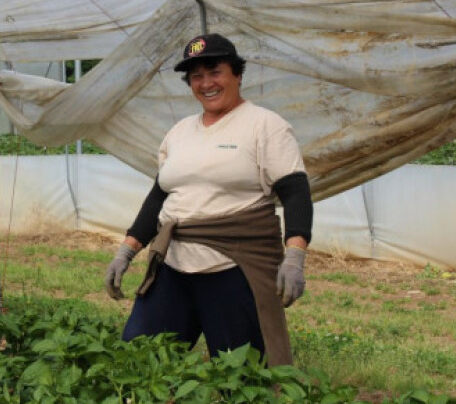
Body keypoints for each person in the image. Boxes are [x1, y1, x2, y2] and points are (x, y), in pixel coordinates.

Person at [104, 33, 312, 367]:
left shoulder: (265, 126)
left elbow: (295, 192)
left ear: (237, 74)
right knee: (140, 362)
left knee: (240, 377)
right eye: (196, 77)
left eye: (214, 72)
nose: (206, 83)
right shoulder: (180, 132)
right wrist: (125, 252)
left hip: (233, 268)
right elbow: (160, 196)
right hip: (173, 265)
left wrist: (295, 257)